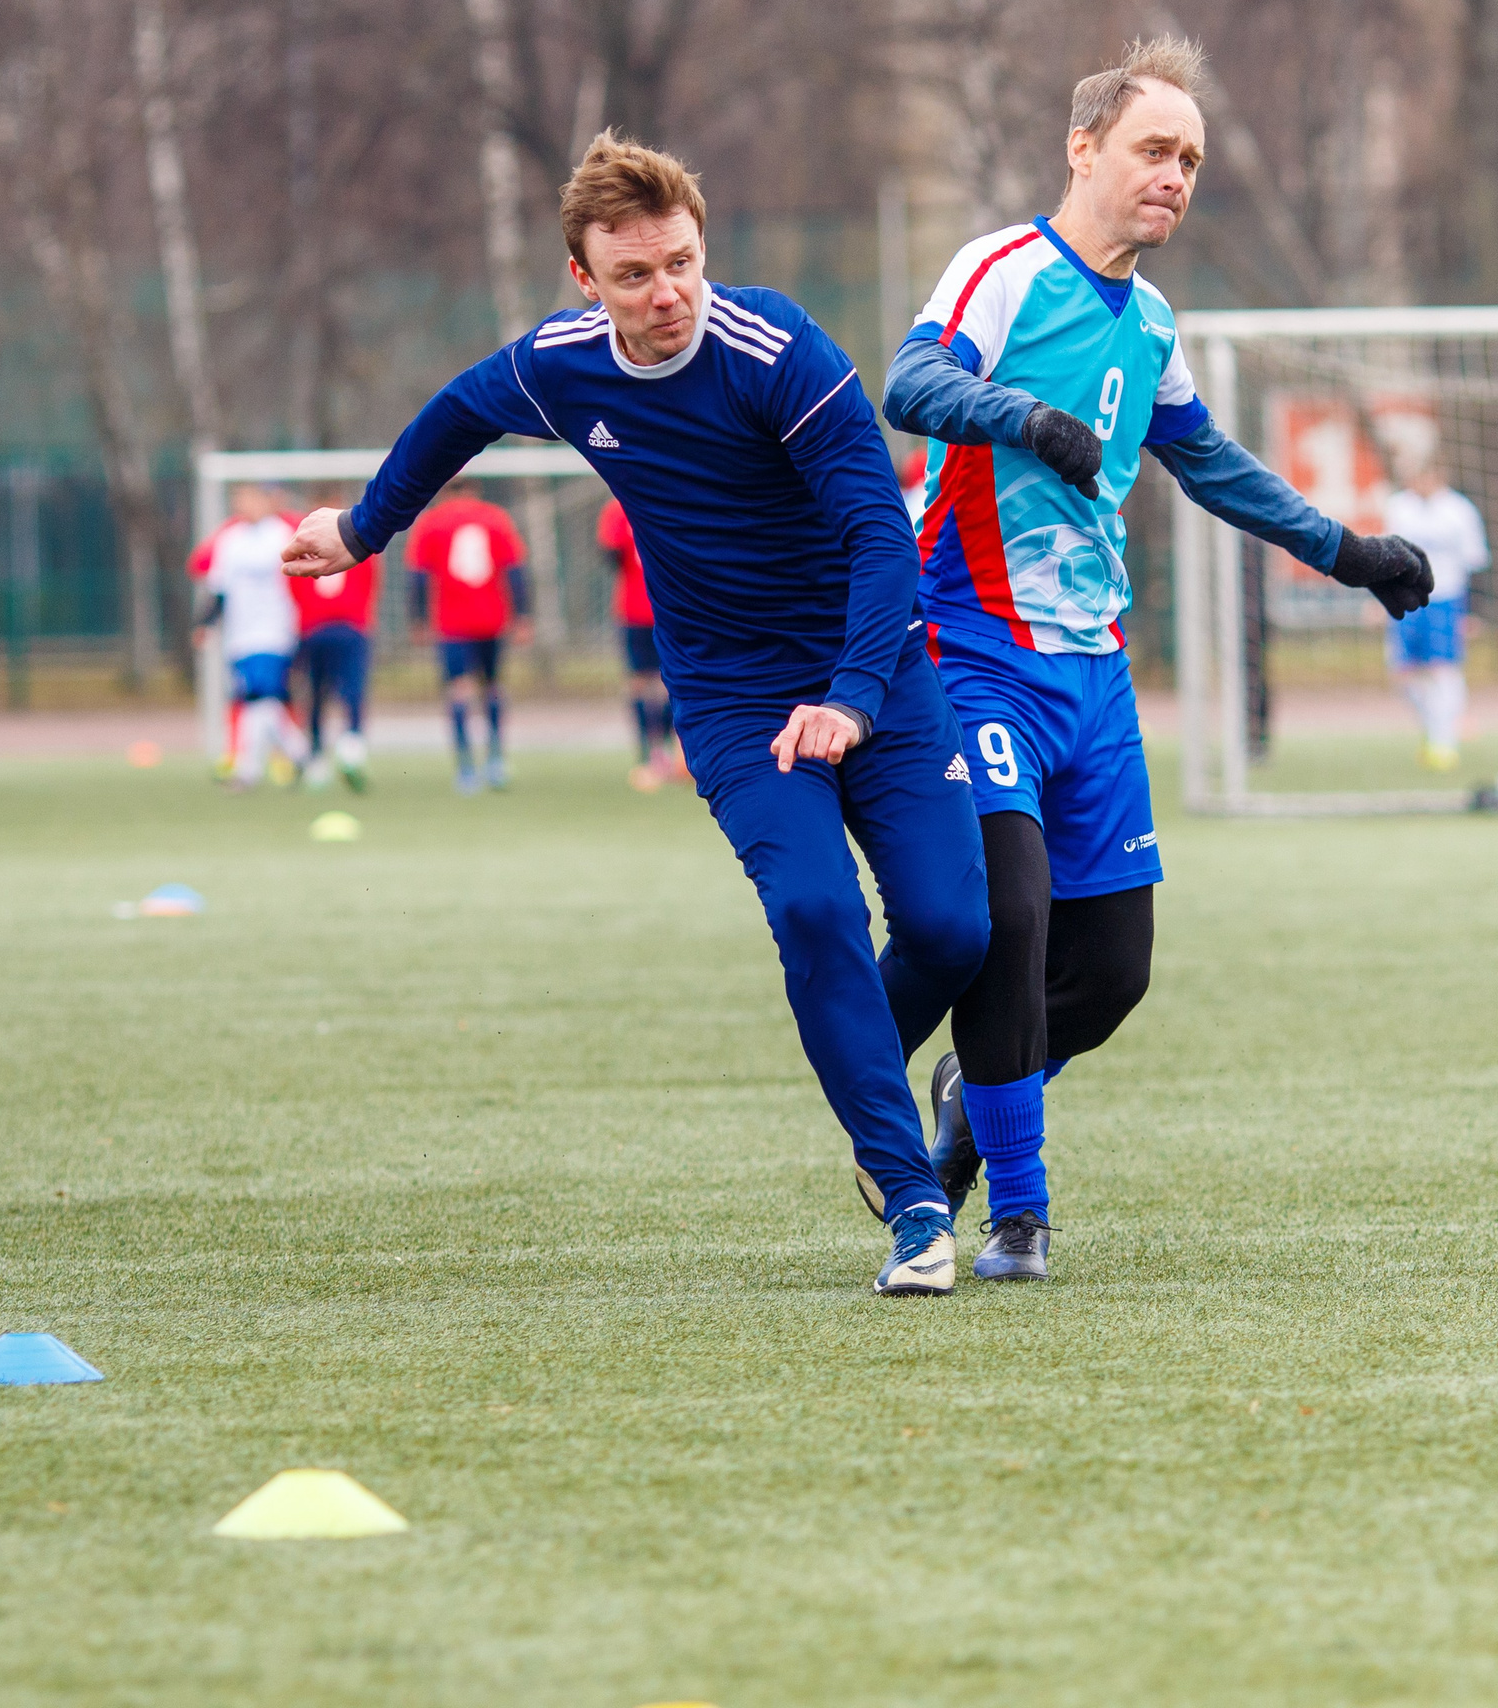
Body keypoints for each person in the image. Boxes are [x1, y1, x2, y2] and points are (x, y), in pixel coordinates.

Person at [282, 132, 990, 1297]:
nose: (667, 295)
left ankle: (860, 1058)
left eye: (682, 264)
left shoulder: (779, 352)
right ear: (585, 279)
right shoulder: (562, 365)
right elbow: (458, 412)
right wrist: (363, 529)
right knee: (814, 910)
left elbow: (879, 535)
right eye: (634, 275)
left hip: (877, 674)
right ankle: (911, 1195)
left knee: (953, 932)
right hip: (733, 699)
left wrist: (853, 698)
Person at [883, 35, 1433, 1282]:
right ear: (1083, 150)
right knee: (1011, 921)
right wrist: (1023, 418)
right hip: (974, 649)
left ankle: (968, 1093)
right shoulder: (1003, 270)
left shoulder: (1152, 322)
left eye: (1188, 158)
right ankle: (1014, 1217)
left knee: (1112, 975)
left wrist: (1348, 553)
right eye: (1151, 149)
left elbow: (1212, 465)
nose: (1173, 175)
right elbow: (908, 384)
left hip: (1095, 675)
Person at [406, 476, 530, 795]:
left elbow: (418, 576)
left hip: (452, 623)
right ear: (475, 490)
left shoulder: (432, 522)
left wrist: (417, 619)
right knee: (492, 687)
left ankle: (465, 767)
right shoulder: (496, 518)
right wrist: (522, 615)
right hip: (493, 618)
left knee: (458, 690)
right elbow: (515, 570)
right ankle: (496, 759)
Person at [189, 483, 313, 792]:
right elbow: (218, 588)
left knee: (261, 695)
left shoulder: (282, 535)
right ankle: (300, 752)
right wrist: (204, 623)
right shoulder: (230, 539)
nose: (245, 505)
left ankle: (250, 769)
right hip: (240, 635)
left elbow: (303, 583)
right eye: (240, 500)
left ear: (266, 502)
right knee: (257, 699)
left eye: (250, 499)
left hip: (275, 631)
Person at [1380, 461, 1489, 771]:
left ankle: (1444, 743)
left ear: (1440, 476)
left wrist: (1473, 611)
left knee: (1443, 669)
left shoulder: (1459, 511)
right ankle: (1435, 727)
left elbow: (1475, 562)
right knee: (1403, 675)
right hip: (1405, 599)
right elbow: (1381, 559)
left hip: (1445, 599)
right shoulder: (1398, 508)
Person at [294, 485, 379, 791]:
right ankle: (338, 752)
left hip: (332, 627)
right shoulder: (360, 538)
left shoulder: (302, 539)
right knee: (325, 693)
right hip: (332, 628)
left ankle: (334, 754)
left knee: (333, 692)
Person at [598, 495, 679, 789]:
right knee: (670, 681)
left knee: (640, 683)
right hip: (670, 608)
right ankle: (669, 752)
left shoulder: (617, 507)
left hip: (635, 608)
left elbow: (610, 554)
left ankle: (649, 752)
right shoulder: (667, 500)